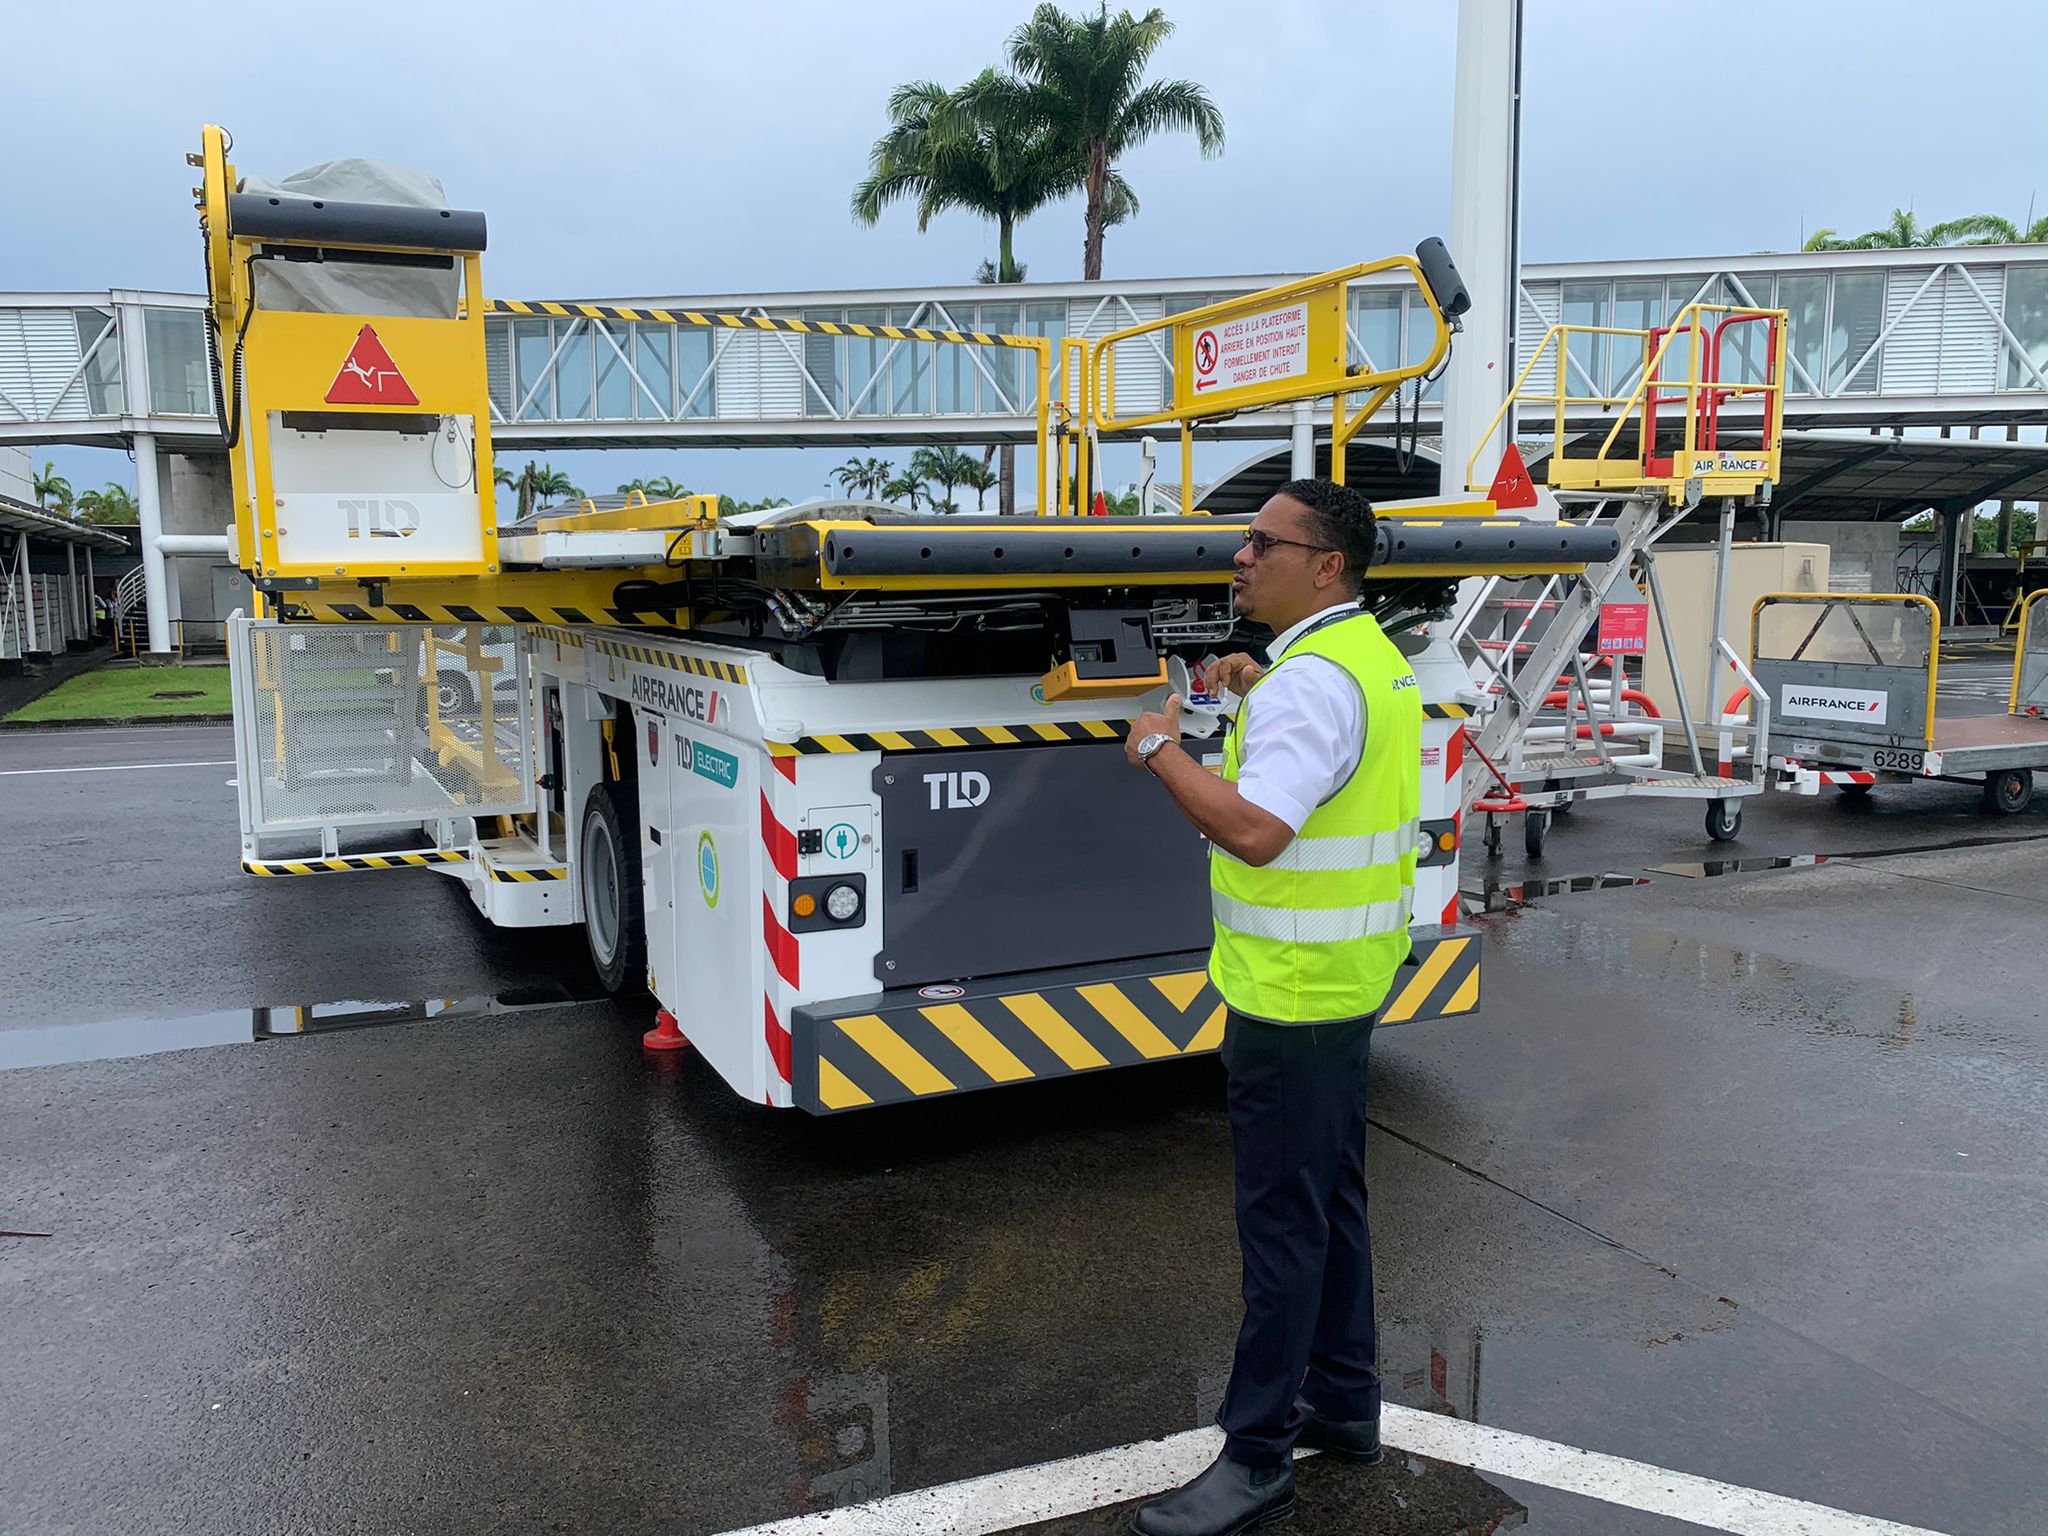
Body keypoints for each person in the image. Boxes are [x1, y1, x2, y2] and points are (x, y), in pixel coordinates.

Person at [1121, 478, 1421, 1536]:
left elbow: (1254, 832)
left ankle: (1253, 1458)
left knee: (1282, 1229)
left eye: (1261, 542)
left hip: (1289, 999)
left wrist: (1156, 748)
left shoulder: (1308, 685)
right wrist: (1256, 685)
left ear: (1324, 565)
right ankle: (1342, 1409)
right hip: (1341, 986)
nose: (1239, 556)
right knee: (1330, 1207)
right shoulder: (1362, 661)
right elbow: (1325, 758)